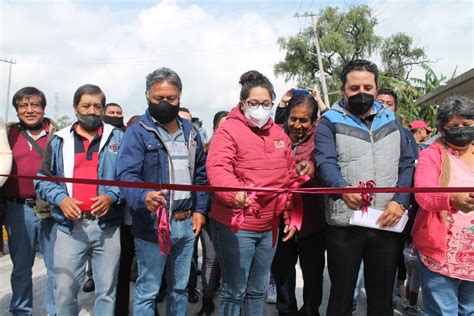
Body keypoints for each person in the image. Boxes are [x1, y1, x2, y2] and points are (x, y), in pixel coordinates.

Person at [315, 59, 415, 316]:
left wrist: (400, 201)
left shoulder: (391, 119)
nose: (362, 93)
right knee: (341, 296)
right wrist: (341, 187)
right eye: (354, 87)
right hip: (346, 221)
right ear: (343, 89)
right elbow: (324, 161)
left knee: (381, 298)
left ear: (376, 87)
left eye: (368, 87)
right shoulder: (329, 121)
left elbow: (407, 164)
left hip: (386, 219)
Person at [206, 70, 299, 316]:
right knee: (234, 290)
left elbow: (288, 177)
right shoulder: (228, 131)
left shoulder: (279, 134)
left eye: (266, 103)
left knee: (257, 289)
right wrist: (234, 193)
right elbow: (218, 168)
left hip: (269, 225)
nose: (260, 108)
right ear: (243, 103)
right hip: (236, 223)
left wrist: (289, 214)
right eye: (254, 103)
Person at [117, 67, 208, 316]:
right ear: (148, 96)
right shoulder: (138, 132)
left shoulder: (191, 132)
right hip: (153, 224)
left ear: (180, 96)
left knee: (180, 288)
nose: (165, 104)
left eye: (171, 98)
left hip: (186, 223)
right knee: (148, 289)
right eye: (159, 99)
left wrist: (200, 210)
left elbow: (200, 174)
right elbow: (126, 175)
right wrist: (142, 196)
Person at [35, 84, 124, 315]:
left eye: (97, 106)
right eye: (86, 105)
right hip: (69, 227)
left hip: (107, 226)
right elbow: (43, 179)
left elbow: (130, 178)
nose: (92, 111)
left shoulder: (118, 139)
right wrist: (62, 199)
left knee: (106, 291)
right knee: (64, 290)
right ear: (76, 108)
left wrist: (112, 196)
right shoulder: (59, 140)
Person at [412, 95, 474, 315]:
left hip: (472, 258)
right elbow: (423, 194)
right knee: (442, 311)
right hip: (441, 255)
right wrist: (451, 199)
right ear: (441, 128)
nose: (461, 129)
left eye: (467, 125)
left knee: (469, 311)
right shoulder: (433, 155)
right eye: (454, 126)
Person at [1, 87, 57, 315]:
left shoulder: (58, 134)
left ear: (43, 108)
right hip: (17, 209)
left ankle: (55, 311)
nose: (30, 110)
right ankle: (21, 311)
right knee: (21, 267)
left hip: (52, 209)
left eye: (35, 105)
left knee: (56, 267)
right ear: (17, 110)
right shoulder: (6, 134)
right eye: (23, 106)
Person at [271, 91, 327, 316]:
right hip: (279, 219)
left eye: (304, 120)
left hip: (313, 221)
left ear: (314, 121)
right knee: (282, 271)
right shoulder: (275, 137)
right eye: (293, 118)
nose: (297, 124)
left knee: (313, 273)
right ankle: (286, 310)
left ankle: (310, 311)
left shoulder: (322, 140)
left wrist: (312, 167)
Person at [197, 110, 228, 316]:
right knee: (211, 258)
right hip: (209, 214)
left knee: (232, 263)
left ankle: (232, 304)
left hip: (234, 216)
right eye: (221, 127)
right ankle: (207, 302)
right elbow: (198, 182)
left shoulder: (240, 151)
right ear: (215, 128)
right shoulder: (204, 153)